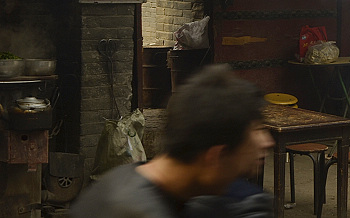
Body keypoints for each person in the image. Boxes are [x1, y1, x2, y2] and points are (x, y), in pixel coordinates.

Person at [70, 64, 275, 217]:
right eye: (257, 130)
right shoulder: (136, 211)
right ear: (216, 157)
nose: (267, 142)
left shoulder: (126, 177)